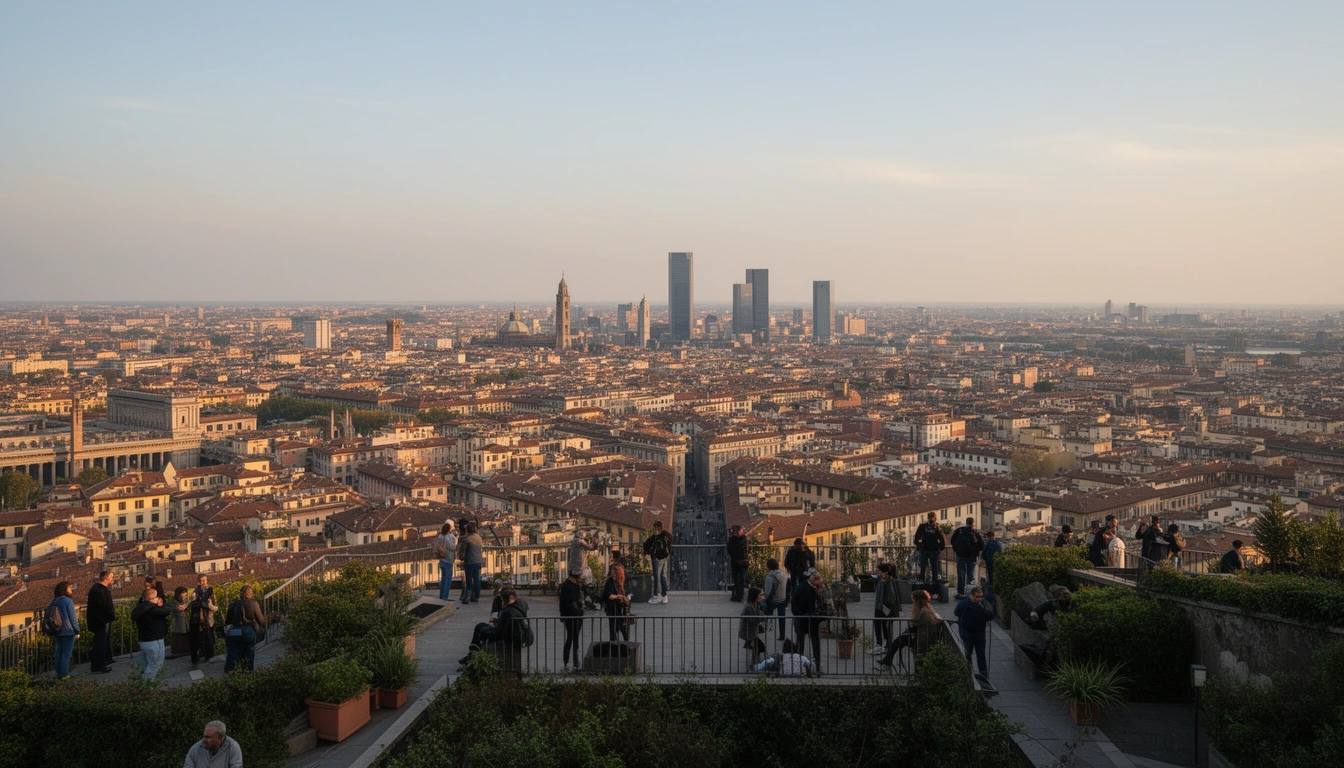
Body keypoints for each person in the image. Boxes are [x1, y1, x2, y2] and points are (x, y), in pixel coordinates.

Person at [876, 589, 942, 670]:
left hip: (922, 639)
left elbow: (915, 624)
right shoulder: (924, 609)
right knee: (897, 641)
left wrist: (910, 627)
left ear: (918, 600)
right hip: (920, 636)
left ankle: (887, 661)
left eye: (913, 598)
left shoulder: (923, 611)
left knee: (898, 642)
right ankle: (887, 661)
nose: (912, 600)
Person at [461, 587, 529, 663]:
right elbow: (505, 624)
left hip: (508, 638)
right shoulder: (517, 606)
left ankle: (472, 655)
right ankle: (472, 654)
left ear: (504, 600)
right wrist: (496, 622)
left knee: (480, 629)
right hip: (514, 633)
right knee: (480, 625)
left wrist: (487, 629)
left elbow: (498, 633)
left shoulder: (507, 612)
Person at [954, 586, 996, 679]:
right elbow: (956, 612)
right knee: (968, 654)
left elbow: (991, 615)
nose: (979, 599)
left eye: (981, 596)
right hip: (968, 633)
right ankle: (968, 674)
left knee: (980, 655)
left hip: (979, 634)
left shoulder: (980, 605)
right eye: (977, 597)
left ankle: (982, 676)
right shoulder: (966, 604)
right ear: (972, 595)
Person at [223, 585, 266, 673]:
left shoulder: (233, 604)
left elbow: (228, 621)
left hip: (235, 630)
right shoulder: (254, 604)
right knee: (249, 654)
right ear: (250, 594)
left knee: (232, 655)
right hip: (248, 630)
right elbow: (261, 621)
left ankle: (229, 674)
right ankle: (248, 674)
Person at [131, 587, 171, 680]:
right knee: (155, 664)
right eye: (157, 597)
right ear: (152, 599)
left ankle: (142, 681)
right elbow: (167, 611)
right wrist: (160, 606)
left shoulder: (139, 608)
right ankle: (147, 687)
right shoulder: (153, 610)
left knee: (147, 664)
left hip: (144, 640)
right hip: (154, 640)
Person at [791, 570, 825, 674]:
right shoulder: (808, 589)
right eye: (819, 583)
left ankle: (797, 666)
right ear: (815, 580)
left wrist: (797, 614)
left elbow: (794, 603)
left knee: (800, 644)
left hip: (802, 619)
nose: (820, 585)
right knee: (814, 644)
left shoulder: (802, 586)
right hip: (809, 620)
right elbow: (810, 605)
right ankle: (816, 667)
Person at [48, 581, 79, 679]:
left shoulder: (53, 601)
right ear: (64, 590)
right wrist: (77, 630)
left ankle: (59, 674)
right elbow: (73, 618)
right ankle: (65, 675)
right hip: (68, 630)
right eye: (70, 588)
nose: (71, 590)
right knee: (66, 653)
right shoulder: (68, 601)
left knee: (59, 652)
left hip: (56, 630)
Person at [86, 570, 116, 675]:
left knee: (103, 642)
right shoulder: (99, 591)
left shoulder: (99, 589)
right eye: (112, 577)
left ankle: (104, 660)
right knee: (100, 643)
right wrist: (107, 617)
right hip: (100, 621)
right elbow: (100, 607)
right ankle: (98, 666)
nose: (113, 579)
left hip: (102, 620)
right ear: (107, 578)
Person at [950, 517, 984, 598]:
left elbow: (952, 541)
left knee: (961, 574)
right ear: (973, 523)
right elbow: (981, 545)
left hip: (960, 555)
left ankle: (960, 592)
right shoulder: (975, 533)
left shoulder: (959, 530)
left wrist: (957, 550)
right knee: (970, 575)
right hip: (971, 557)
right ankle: (970, 593)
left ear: (966, 522)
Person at [872, 563, 902, 653]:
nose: (878, 572)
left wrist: (890, 608)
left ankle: (887, 645)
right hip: (879, 607)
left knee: (886, 626)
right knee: (878, 624)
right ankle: (880, 643)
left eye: (879, 571)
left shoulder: (890, 582)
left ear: (885, 572)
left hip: (886, 608)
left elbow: (892, 597)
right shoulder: (881, 581)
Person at [559, 568, 585, 669]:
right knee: (573, 638)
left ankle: (570, 661)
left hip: (569, 616)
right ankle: (574, 662)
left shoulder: (567, 585)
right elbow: (573, 601)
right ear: (575, 577)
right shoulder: (571, 587)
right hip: (573, 616)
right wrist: (579, 611)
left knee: (571, 638)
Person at [190, 574, 217, 668]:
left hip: (208, 619)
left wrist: (209, 605)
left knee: (209, 638)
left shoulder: (211, 592)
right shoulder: (195, 592)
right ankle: (196, 658)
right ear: (198, 582)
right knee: (196, 639)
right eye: (201, 581)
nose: (203, 582)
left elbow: (215, 608)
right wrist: (192, 600)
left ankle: (209, 656)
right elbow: (192, 605)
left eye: (204, 580)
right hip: (197, 620)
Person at [643, 520, 673, 604]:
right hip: (665, 558)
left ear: (658, 528)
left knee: (657, 577)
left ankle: (657, 595)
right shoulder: (667, 536)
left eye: (655, 528)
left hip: (657, 558)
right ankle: (664, 595)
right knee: (662, 576)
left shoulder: (657, 537)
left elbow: (646, 544)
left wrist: (650, 553)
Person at [913, 512, 946, 584]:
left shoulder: (937, 527)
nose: (931, 519)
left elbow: (942, 540)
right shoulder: (923, 526)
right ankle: (922, 582)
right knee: (923, 568)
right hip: (925, 550)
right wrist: (920, 546)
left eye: (932, 517)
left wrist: (939, 548)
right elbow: (916, 539)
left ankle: (934, 583)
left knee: (934, 568)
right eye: (930, 517)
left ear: (935, 518)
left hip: (933, 550)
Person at [601, 563, 630, 642]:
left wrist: (625, 598)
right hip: (613, 608)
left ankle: (624, 644)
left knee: (622, 628)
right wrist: (618, 597)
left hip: (619, 609)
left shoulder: (620, 582)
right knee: (614, 629)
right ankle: (614, 644)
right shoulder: (610, 581)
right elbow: (609, 595)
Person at [739, 587, 767, 662]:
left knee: (756, 646)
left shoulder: (755, 604)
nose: (762, 597)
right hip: (749, 631)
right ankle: (753, 662)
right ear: (756, 596)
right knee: (758, 646)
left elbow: (759, 613)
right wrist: (761, 618)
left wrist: (762, 616)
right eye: (760, 595)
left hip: (752, 632)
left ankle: (754, 661)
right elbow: (751, 620)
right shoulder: (749, 607)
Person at [459, 521, 484, 604]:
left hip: (469, 562)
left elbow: (459, 539)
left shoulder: (468, 538)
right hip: (478, 561)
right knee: (476, 580)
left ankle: (467, 597)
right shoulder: (479, 537)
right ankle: (476, 596)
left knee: (469, 580)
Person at [762, 558, 788, 635]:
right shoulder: (784, 574)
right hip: (782, 599)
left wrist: (763, 599)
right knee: (782, 618)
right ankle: (782, 635)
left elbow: (767, 591)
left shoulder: (770, 576)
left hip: (772, 600)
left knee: (764, 612)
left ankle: (764, 628)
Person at [434, 521, 457, 602]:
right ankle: (445, 597)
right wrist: (456, 539)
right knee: (447, 580)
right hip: (448, 560)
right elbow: (452, 547)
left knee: (443, 579)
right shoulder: (450, 537)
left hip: (442, 559)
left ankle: (441, 596)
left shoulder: (440, 536)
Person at [726, 525, 749, 602]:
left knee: (738, 579)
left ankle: (739, 595)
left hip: (738, 562)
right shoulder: (744, 539)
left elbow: (729, 550)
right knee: (739, 579)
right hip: (742, 562)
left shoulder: (733, 540)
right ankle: (740, 595)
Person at [171, 586, 192, 663]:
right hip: (178, 620)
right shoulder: (174, 602)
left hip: (184, 619)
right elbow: (180, 608)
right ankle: (178, 650)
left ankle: (185, 649)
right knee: (179, 632)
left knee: (185, 632)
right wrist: (189, 602)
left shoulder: (184, 600)